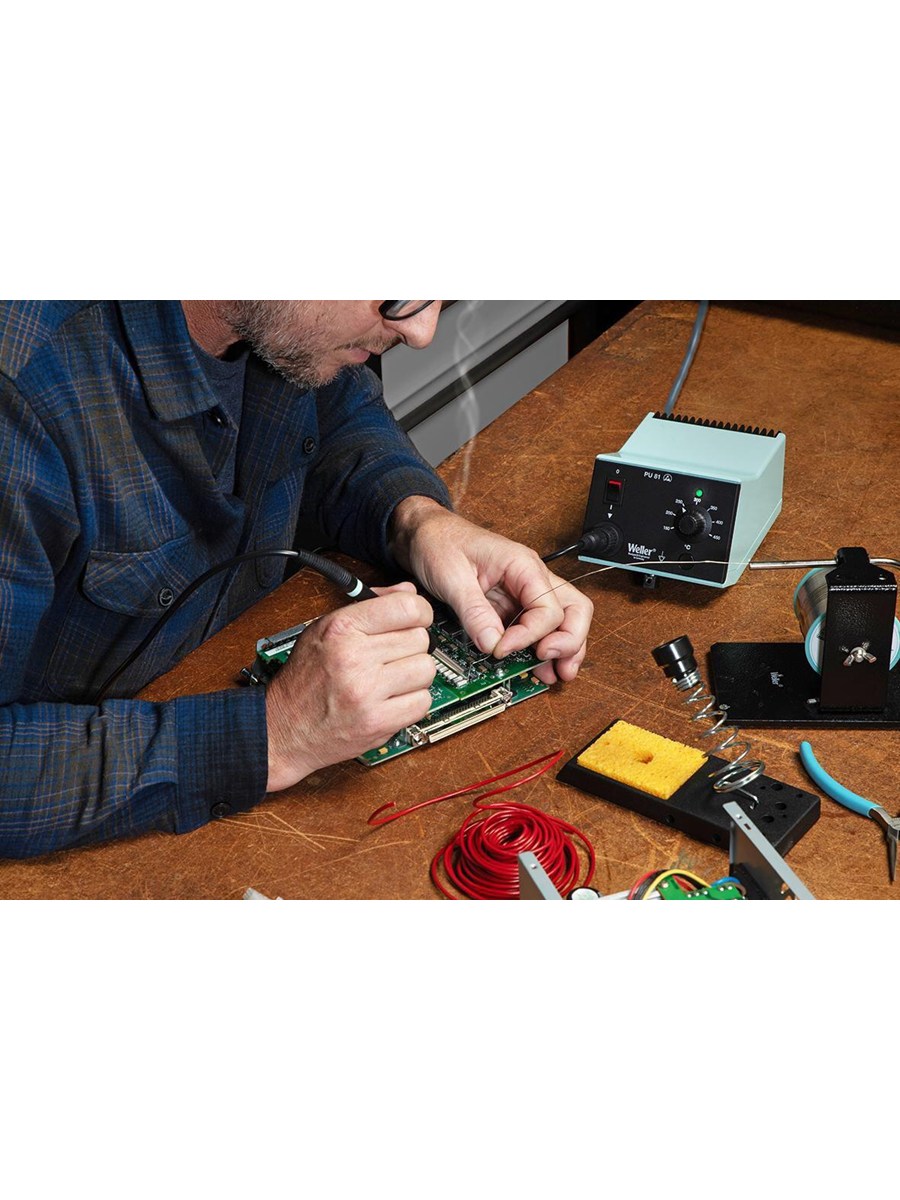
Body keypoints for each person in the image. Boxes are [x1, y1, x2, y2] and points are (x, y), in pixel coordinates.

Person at [0, 300, 593, 857]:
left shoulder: (285, 324)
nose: (421, 332)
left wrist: (416, 520)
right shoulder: (21, 392)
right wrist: (275, 732)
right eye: (398, 292)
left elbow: (336, 417)